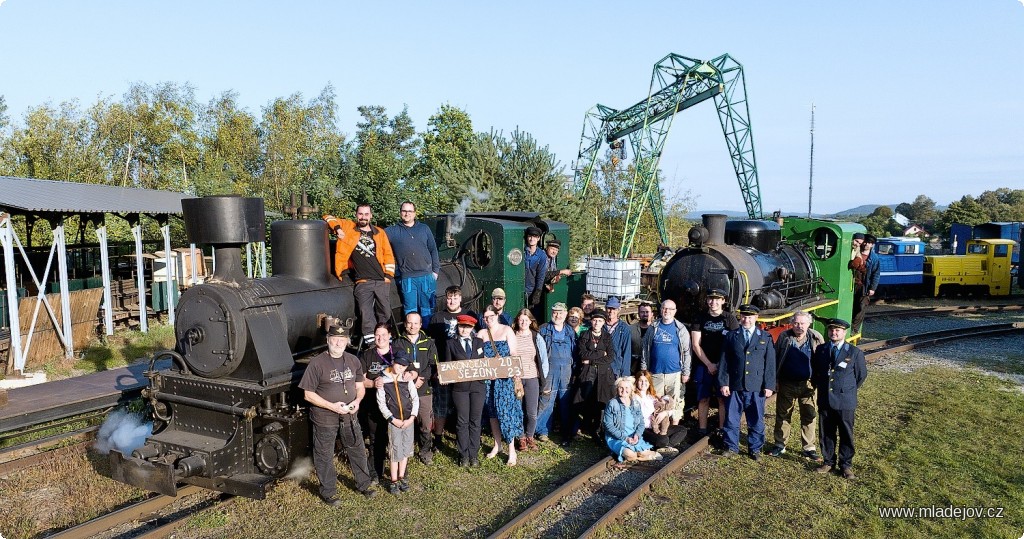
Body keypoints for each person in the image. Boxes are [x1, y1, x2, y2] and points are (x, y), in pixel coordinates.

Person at [299, 325, 377, 504]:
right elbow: (308, 394)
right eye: (334, 339)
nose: (338, 343)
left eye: (342, 340)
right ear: (327, 340)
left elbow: (360, 387)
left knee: (357, 449)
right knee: (324, 454)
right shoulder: (316, 363)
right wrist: (331, 406)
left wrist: (357, 402)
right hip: (325, 418)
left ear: (347, 341)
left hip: (349, 416)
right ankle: (329, 492)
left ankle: (363, 485)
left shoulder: (353, 360)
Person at [324, 205, 396, 344]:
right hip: (362, 281)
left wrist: (388, 276)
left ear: (371, 216)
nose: (363, 217)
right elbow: (327, 217)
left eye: (366, 214)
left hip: (380, 279)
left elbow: (388, 254)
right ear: (356, 215)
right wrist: (338, 229)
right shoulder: (348, 227)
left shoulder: (379, 232)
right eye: (361, 214)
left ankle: (386, 340)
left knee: (385, 311)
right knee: (365, 312)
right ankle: (371, 344)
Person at [717, 304, 776, 461]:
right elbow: (724, 362)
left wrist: (769, 385)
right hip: (735, 385)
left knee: (756, 419)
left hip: (756, 386)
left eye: (750, 317)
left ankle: (755, 449)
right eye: (744, 316)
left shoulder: (765, 337)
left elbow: (770, 364)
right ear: (740, 317)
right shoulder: (731, 336)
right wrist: (724, 383)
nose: (746, 320)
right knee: (731, 418)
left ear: (756, 318)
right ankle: (731, 447)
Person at [812, 318, 867, 480]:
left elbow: (861, 376)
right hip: (825, 399)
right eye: (831, 330)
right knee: (826, 432)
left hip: (845, 400)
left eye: (837, 330)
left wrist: (846, 390)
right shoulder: (821, 350)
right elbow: (816, 372)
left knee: (845, 433)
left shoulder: (854, 352)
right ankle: (828, 462)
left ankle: (846, 465)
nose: (833, 333)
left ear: (844, 332)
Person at [768, 311, 824, 460]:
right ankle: (780, 445)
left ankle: (809, 448)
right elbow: (775, 358)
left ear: (809, 324)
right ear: (792, 323)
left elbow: (823, 359)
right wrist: (775, 380)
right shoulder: (784, 337)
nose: (799, 326)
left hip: (809, 384)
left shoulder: (816, 337)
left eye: (802, 323)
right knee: (783, 414)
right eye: (796, 323)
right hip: (787, 383)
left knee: (809, 415)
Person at [689, 289, 739, 439]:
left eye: (717, 299)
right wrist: (709, 364)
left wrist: (719, 364)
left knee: (722, 398)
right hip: (704, 364)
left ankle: (722, 428)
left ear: (723, 301)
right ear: (707, 301)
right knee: (703, 398)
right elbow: (696, 345)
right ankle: (702, 429)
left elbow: (734, 344)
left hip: (723, 366)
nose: (713, 302)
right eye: (711, 299)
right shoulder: (700, 318)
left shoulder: (730, 319)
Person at [479, 305, 524, 466]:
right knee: (492, 414)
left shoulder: (507, 330)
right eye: (485, 317)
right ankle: (497, 445)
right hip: (489, 380)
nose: (488, 319)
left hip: (504, 380)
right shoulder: (482, 333)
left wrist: (513, 372)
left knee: (506, 413)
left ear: (496, 316)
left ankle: (511, 450)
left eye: (491, 316)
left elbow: (513, 352)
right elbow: (477, 355)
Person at [428, 285, 473, 444]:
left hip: (464, 368)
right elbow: (431, 345)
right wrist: (435, 368)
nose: (452, 301)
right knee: (441, 404)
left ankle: (465, 435)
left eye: (455, 298)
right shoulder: (437, 318)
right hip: (444, 367)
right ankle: (438, 437)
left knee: (464, 404)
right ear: (445, 299)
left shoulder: (469, 314)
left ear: (460, 298)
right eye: (449, 298)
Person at [394, 312, 438, 465]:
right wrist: (409, 376)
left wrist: (421, 377)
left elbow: (433, 365)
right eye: (409, 323)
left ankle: (425, 451)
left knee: (425, 423)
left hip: (423, 388)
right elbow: (395, 364)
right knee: (405, 421)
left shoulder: (429, 342)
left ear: (420, 325)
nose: (412, 326)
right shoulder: (398, 342)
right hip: (404, 389)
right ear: (405, 324)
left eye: (416, 323)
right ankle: (405, 450)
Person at [639, 299, 691, 426]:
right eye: (664, 308)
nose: (666, 311)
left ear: (675, 311)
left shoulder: (681, 329)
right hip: (655, 372)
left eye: (670, 309)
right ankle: (656, 428)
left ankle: (673, 427)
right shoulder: (653, 327)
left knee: (675, 402)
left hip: (674, 373)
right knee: (655, 402)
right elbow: (645, 349)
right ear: (661, 310)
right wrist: (644, 369)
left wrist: (686, 372)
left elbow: (687, 352)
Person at [443, 314, 486, 467]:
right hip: (460, 389)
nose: (464, 329)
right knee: (462, 421)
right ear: (457, 327)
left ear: (472, 328)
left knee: (475, 420)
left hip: (478, 387)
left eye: (467, 327)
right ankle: (463, 455)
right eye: (462, 326)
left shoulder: (479, 342)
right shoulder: (450, 344)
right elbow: (448, 365)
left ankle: (474, 455)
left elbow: (485, 364)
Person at [385, 201, 440, 320]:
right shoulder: (392, 231)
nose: (407, 213)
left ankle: (428, 335)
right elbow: (377, 238)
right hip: (407, 277)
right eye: (404, 211)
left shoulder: (424, 229)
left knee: (427, 309)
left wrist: (435, 271)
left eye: (410, 211)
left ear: (414, 213)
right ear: (400, 213)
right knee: (410, 310)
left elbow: (433, 249)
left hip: (426, 276)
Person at [376, 351, 418, 495]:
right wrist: (391, 419)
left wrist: (412, 417)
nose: (400, 368)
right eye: (398, 364)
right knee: (395, 450)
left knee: (406, 449)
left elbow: (415, 399)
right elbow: (381, 403)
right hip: (394, 421)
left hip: (408, 420)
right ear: (393, 362)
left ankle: (402, 477)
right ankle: (393, 481)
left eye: (404, 366)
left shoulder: (407, 379)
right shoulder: (383, 380)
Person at [360, 323, 398, 481]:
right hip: (373, 403)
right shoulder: (367, 355)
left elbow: (408, 372)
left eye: (384, 334)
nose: (380, 338)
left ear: (390, 336)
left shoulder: (397, 353)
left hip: (395, 403)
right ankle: (376, 470)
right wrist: (372, 383)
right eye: (377, 335)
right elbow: (360, 379)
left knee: (396, 437)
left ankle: (399, 470)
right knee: (376, 437)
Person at [537, 302, 578, 445]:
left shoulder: (570, 331)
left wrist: (575, 370)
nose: (557, 315)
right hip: (549, 370)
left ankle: (567, 432)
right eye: (555, 312)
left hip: (566, 371)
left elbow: (575, 352)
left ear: (566, 314)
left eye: (561, 313)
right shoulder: (543, 329)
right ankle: (542, 431)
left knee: (565, 402)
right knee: (546, 400)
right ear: (551, 313)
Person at [511, 308, 549, 451]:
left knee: (531, 412)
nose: (523, 322)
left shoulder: (536, 337)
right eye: (521, 319)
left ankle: (530, 436)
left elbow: (543, 359)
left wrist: (542, 378)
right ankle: (520, 438)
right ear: (517, 321)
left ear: (531, 321)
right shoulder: (512, 335)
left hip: (532, 377)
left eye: (526, 320)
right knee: (518, 410)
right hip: (517, 379)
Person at [574, 308, 616, 439]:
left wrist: (590, 360)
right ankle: (580, 427)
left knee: (600, 400)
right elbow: (582, 354)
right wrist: (600, 354)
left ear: (604, 322)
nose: (597, 323)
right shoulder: (584, 335)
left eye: (600, 320)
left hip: (603, 373)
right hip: (587, 372)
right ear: (591, 321)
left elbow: (610, 357)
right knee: (583, 398)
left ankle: (598, 429)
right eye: (594, 320)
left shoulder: (607, 337)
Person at [603, 376, 660, 463]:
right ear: (617, 389)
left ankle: (642, 454)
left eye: (626, 388)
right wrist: (625, 438)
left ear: (631, 389)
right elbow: (608, 425)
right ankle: (639, 455)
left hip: (633, 437)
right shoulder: (612, 403)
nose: (623, 390)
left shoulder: (636, 403)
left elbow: (641, 423)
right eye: (620, 388)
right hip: (618, 438)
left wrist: (637, 435)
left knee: (642, 453)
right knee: (631, 456)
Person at [634, 370, 687, 451]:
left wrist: (665, 413)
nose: (643, 383)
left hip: (659, 427)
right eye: (641, 381)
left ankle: (667, 446)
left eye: (646, 381)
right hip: (646, 428)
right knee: (663, 439)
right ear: (637, 382)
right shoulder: (635, 397)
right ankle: (662, 444)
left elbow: (668, 407)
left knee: (682, 430)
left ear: (649, 382)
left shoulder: (652, 395)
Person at [850, 234, 880, 334]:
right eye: (866, 242)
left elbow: (876, 274)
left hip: (864, 285)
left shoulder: (874, 258)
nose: (866, 244)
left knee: (861, 307)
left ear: (872, 245)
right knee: (852, 305)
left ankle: (854, 328)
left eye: (869, 243)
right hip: (853, 283)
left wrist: (872, 288)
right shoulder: (855, 252)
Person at [605, 297, 633, 379]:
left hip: (616, 370)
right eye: (609, 308)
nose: (611, 311)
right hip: (601, 368)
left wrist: (625, 375)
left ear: (619, 310)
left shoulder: (624, 328)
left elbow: (627, 352)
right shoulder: (600, 325)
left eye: (614, 309)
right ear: (605, 308)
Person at [523, 226, 548, 313]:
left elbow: (541, 275)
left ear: (538, 238)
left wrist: (537, 291)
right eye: (530, 236)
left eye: (534, 236)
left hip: (531, 289)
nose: (531, 238)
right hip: (521, 287)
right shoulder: (522, 251)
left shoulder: (542, 255)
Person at [629, 302, 654, 376]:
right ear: (638, 314)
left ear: (652, 314)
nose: (645, 314)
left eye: (647, 312)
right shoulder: (631, 329)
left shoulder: (656, 330)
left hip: (651, 366)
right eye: (642, 312)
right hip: (633, 367)